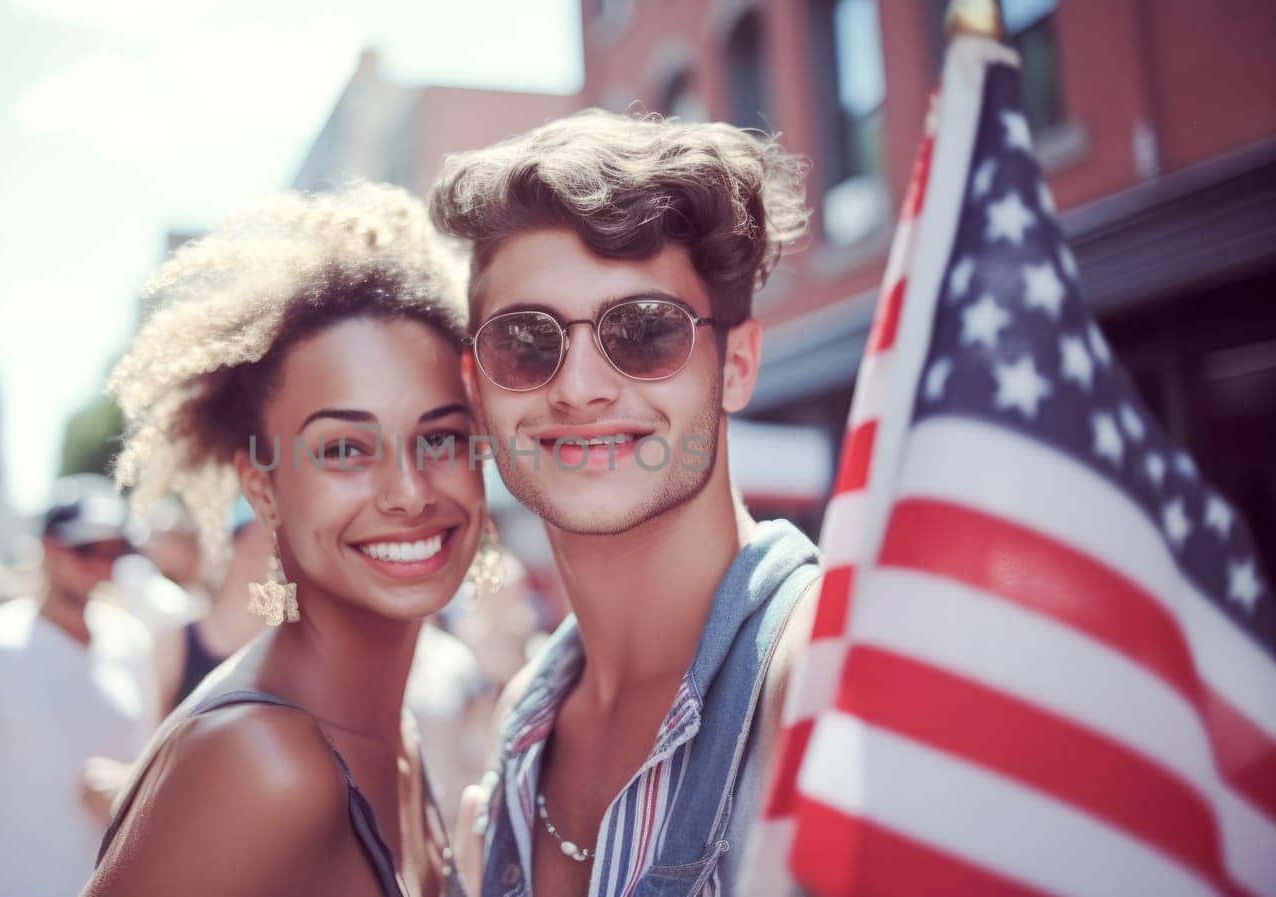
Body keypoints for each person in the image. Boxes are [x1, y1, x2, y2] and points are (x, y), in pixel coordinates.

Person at [427, 109, 821, 896]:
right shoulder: (521, 726)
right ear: (478, 388)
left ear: (736, 364)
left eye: (645, 332)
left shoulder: (822, 680)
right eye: (527, 342)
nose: (578, 387)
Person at [86, 182, 500, 897]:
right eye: (344, 449)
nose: (409, 490)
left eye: (440, 437)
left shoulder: (389, 733)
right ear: (263, 489)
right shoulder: (263, 764)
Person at [0, 476, 158, 897]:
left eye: (113, 552)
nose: (100, 565)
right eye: (86, 550)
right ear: (49, 547)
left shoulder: (134, 642)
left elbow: (150, 768)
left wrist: (126, 784)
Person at [151, 500, 269, 717]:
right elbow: (153, 741)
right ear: (235, 542)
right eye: (268, 527)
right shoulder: (177, 644)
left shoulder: (296, 645)